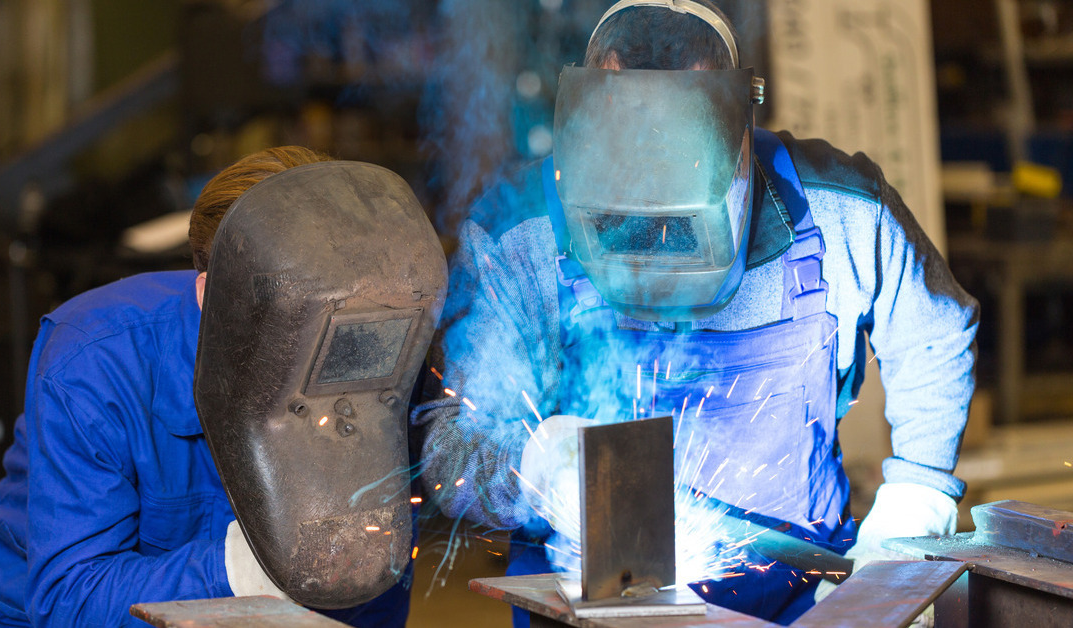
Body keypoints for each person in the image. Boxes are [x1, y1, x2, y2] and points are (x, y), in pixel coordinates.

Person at [413, 0, 978, 624]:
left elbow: (935, 333)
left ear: (739, 139)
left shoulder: (841, 207)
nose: (655, 248)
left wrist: (914, 500)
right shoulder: (519, 239)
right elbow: (447, 445)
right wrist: (532, 466)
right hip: (593, 606)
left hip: (801, 599)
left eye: (679, 228)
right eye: (624, 223)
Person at [0, 146, 416, 628]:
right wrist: (242, 566)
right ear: (209, 296)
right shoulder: (96, 361)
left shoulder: (383, 336)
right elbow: (70, 598)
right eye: (295, 316)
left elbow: (375, 572)